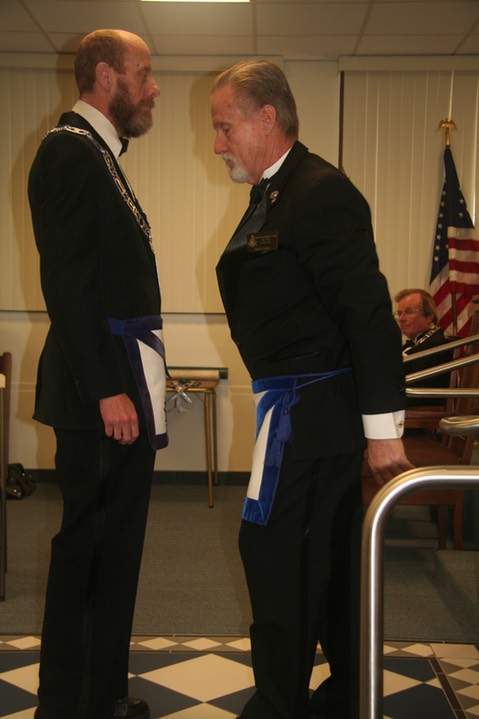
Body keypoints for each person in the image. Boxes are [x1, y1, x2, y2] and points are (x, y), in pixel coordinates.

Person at [211, 60, 413, 719]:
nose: (217, 143)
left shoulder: (319, 190)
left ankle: (278, 704)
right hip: (295, 411)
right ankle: (350, 689)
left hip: (315, 411)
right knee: (319, 555)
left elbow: (367, 311)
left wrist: (383, 433)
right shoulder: (274, 190)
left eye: (223, 126)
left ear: (266, 119)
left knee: (277, 555)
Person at [28, 29, 166, 719]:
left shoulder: (99, 155)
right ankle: (70, 703)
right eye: (146, 73)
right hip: (100, 393)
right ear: (107, 76)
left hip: (119, 384)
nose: (156, 87)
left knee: (115, 548)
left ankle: (102, 692)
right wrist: (108, 385)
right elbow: (70, 282)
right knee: (89, 545)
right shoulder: (67, 152)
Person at [395, 289, 453, 407]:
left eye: (408, 312)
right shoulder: (418, 342)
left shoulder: (435, 345)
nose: (401, 318)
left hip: (418, 413)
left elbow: (417, 393)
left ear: (428, 317)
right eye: (399, 313)